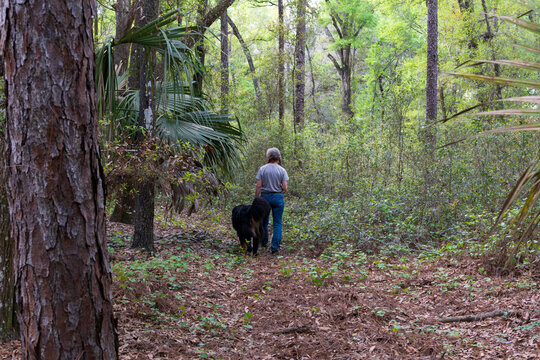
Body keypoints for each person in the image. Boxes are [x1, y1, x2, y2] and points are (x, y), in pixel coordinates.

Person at [255, 148, 289, 254]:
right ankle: (274, 248)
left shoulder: (262, 169)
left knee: (264, 221)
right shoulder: (282, 170)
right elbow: (285, 187)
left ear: (268, 156)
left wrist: (256, 198)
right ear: (278, 157)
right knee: (277, 223)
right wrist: (278, 186)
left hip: (264, 198)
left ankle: (264, 243)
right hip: (278, 198)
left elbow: (259, 185)